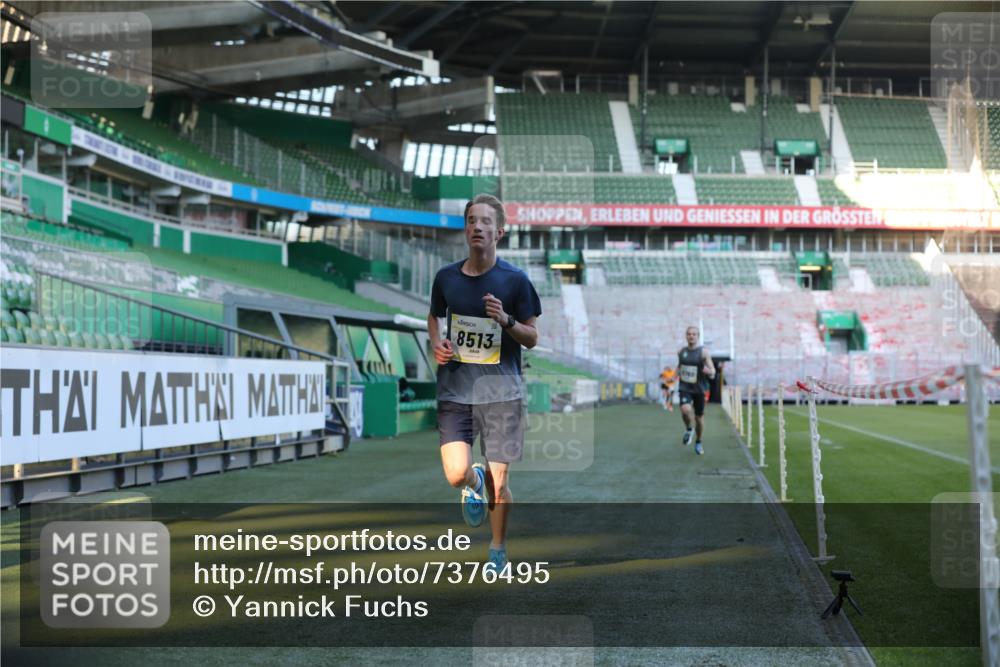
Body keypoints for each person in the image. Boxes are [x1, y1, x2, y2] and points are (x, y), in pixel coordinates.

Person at [427, 193, 541, 572]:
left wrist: (506, 320)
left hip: (502, 393)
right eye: (472, 220)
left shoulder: (515, 281)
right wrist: (436, 345)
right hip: (456, 389)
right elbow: (433, 317)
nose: (477, 226)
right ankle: (472, 480)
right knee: (456, 474)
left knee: (501, 478)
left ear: (500, 232)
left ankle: (497, 548)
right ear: (465, 229)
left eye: (486, 221)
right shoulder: (445, 277)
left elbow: (532, 337)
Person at [677, 326, 715, 455]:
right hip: (685, 388)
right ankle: (688, 429)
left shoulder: (703, 352)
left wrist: (708, 371)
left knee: (699, 418)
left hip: (699, 389)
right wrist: (673, 377)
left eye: (694, 334)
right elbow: (680, 366)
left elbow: (713, 371)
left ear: (698, 336)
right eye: (689, 334)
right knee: (685, 409)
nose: (691, 336)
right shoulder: (681, 352)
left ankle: (698, 442)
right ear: (686, 336)